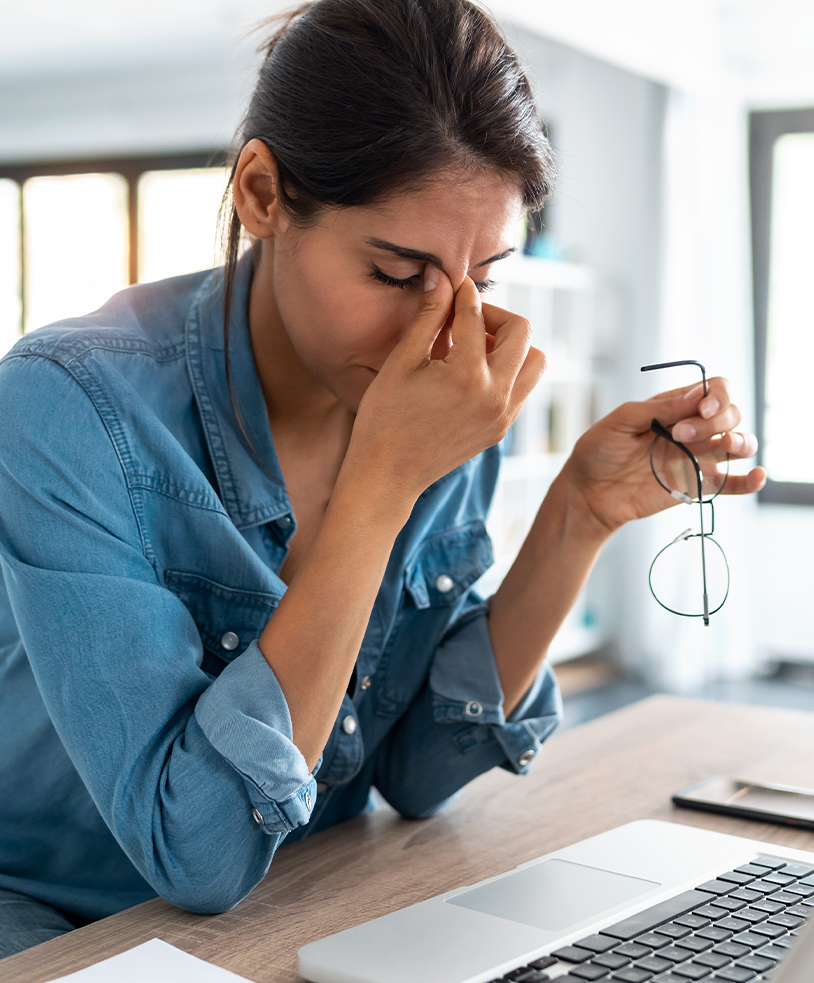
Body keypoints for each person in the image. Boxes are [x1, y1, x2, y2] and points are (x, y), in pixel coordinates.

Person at [0, 0, 765, 960]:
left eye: (485, 274)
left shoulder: (442, 389)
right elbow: (193, 849)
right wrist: (381, 486)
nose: (443, 332)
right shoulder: (68, 404)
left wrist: (579, 511)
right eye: (400, 271)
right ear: (262, 192)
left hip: (303, 892)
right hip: (62, 918)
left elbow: (414, 768)